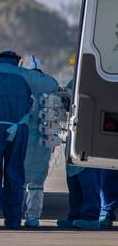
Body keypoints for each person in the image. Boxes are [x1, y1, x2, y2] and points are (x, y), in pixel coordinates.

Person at [0, 51, 58, 229]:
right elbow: (52, 85)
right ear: (17, 61)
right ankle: (13, 220)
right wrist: (36, 73)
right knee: (15, 174)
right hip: (19, 130)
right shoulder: (25, 74)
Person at [56, 76, 101, 230]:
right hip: (74, 133)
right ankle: (74, 215)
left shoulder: (99, 80)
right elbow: (68, 104)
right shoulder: (75, 80)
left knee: (88, 179)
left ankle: (90, 216)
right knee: (74, 179)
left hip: (89, 135)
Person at [21, 55, 58, 228]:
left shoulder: (21, 84)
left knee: (18, 179)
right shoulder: (50, 86)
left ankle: (14, 214)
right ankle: (33, 217)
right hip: (43, 141)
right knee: (37, 182)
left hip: (22, 140)